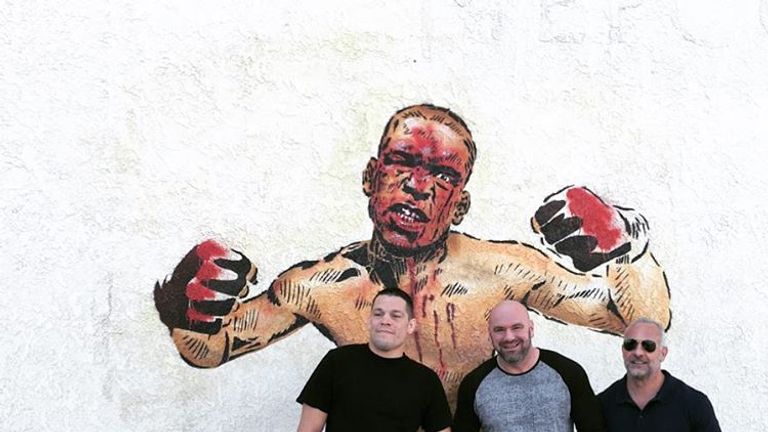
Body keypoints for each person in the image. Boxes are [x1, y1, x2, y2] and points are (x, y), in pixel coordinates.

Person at [154, 103, 671, 407]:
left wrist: (629, 244)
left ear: (460, 205)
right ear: (370, 178)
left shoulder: (504, 271)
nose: (418, 187)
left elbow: (641, 321)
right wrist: (180, 306)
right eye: (402, 164)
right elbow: (210, 348)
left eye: (443, 176)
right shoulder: (319, 286)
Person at [295, 288, 451, 432]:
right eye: (378, 314)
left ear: (410, 326)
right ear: (370, 321)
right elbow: (308, 429)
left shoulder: (425, 380)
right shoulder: (337, 362)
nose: (385, 320)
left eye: (395, 316)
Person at [453, 300, 605, 432]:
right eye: (499, 330)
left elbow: (593, 429)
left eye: (516, 327)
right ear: (490, 334)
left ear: (531, 329)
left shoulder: (568, 372)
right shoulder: (473, 385)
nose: (509, 337)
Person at [598, 318, 721, 431]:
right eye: (630, 344)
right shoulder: (602, 405)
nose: (638, 352)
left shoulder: (694, 404)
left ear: (663, 353)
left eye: (648, 346)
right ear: (623, 350)